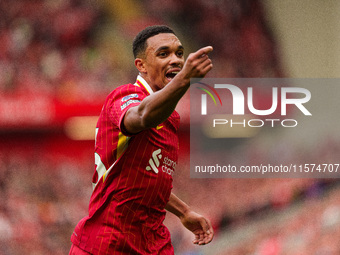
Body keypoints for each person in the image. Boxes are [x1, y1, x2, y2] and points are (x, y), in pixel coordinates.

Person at [69, 25, 214, 254]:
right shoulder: (124, 97)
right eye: (163, 53)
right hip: (107, 244)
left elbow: (146, 180)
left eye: (179, 52)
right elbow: (142, 115)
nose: (175, 60)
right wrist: (185, 78)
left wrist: (183, 211)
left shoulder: (169, 117)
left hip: (153, 243)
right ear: (141, 65)